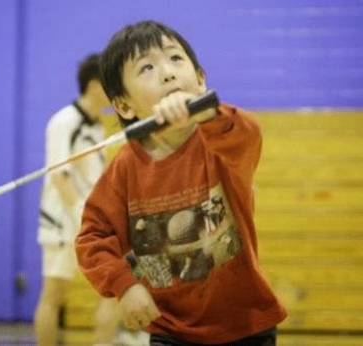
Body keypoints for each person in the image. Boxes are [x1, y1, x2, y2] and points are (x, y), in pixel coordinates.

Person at [75, 21, 287, 345]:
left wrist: (207, 114)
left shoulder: (222, 142)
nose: (168, 73)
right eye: (147, 67)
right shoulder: (125, 168)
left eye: (176, 59)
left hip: (246, 326)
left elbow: (247, 136)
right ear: (123, 105)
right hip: (171, 330)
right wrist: (125, 285)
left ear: (200, 81)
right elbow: (93, 236)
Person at [34, 53, 145, 346]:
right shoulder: (64, 121)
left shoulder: (97, 126)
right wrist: (82, 214)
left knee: (112, 289)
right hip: (62, 221)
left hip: (91, 220)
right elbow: (59, 175)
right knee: (54, 294)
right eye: (110, 83)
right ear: (95, 85)